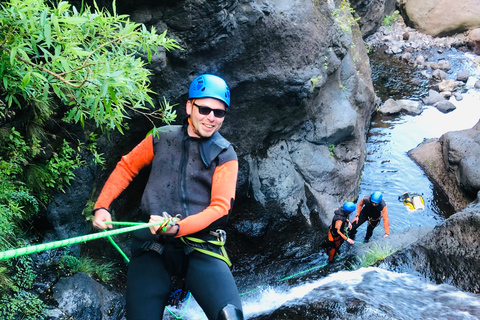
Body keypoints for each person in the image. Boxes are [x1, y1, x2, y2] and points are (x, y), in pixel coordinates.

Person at [92, 74, 244, 320]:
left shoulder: (225, 154)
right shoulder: (161, 137)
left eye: (219, 112)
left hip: (202, 245)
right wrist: (102, 206)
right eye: (204, 109)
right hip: (153, 244)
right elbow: (127, 167)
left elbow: (220, 208)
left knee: (230, 316)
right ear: (189, 107)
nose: (211, 118)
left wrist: (178, 228)